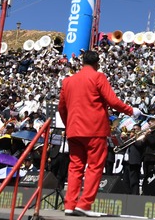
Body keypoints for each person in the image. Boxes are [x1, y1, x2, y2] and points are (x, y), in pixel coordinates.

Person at [58, 50, 138, 217]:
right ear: (97, 63)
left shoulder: (68, 81)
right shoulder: (98, 77)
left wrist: (69, 125)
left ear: (82, 62)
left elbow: (61, 108)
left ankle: (69, 204)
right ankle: (84, 204)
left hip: (74, 130)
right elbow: (113, 101)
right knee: (94, 167)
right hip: (94, 129)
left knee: (75, 167)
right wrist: (131, 111)